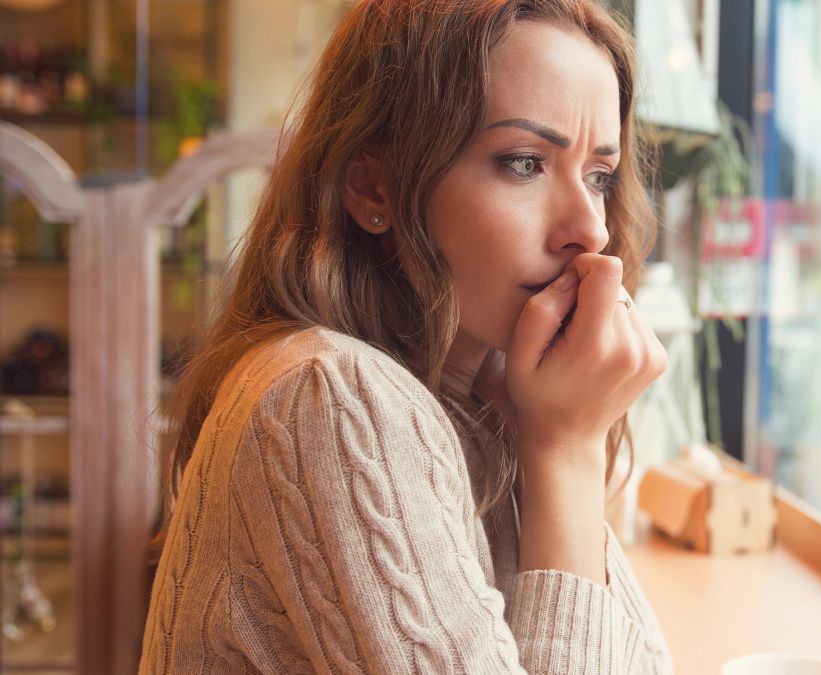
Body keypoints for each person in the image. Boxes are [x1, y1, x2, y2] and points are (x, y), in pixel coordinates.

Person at [139, 0, 674, 672]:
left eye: (599, 176)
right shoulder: (330, 393)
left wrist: (555, 444)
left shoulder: (494, 400)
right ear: (374, 187)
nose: (589, 229)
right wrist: (569, 450)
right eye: (524, 162)